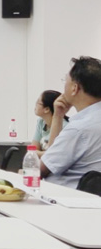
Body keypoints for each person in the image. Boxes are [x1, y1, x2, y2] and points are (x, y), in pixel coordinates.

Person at [41, 56, 101, 188]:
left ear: (74, 88)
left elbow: (40, 170)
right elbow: (51, 156)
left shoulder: (79, 128)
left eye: (65, 81)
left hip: (62, 196)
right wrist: (58, 116)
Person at [31, 90, 68, 157]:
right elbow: (32, 150)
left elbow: (56, 154)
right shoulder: (41, 122)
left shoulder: (65, 127)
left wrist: (43, 154)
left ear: (47, 109)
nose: (35, 105)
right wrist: (47, 154)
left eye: (38, 102)